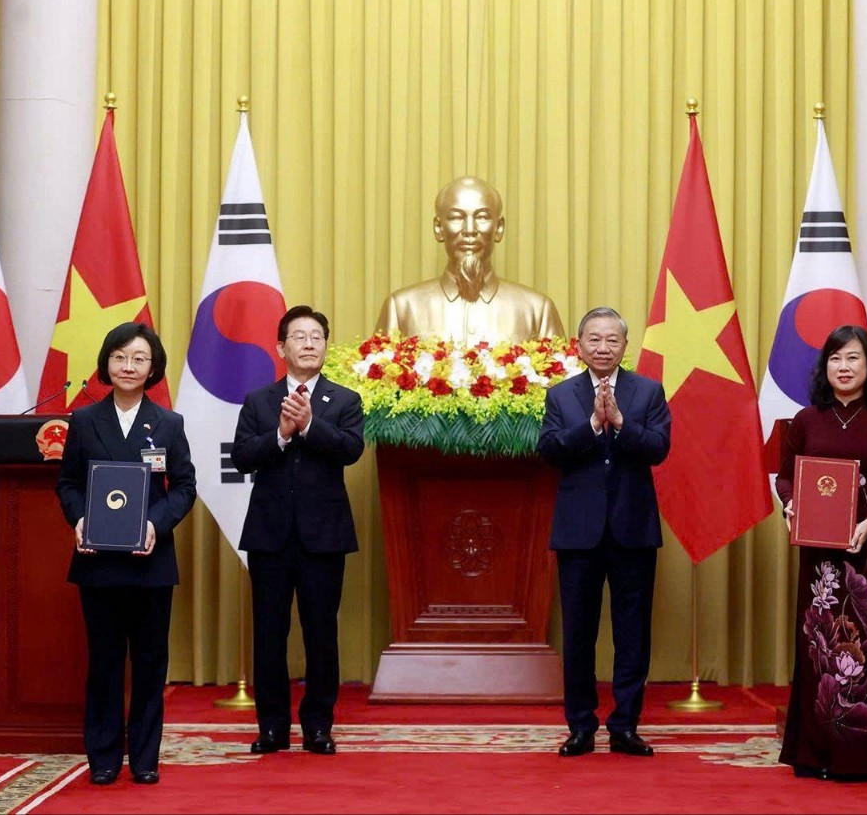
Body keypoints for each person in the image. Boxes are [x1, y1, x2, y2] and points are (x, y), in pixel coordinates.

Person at [776, 324, 867, 781]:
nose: (844, 367)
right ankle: (815, 752)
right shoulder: (806, 420)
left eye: (853, 358)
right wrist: (791, 503)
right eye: (836, 358)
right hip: (820, 559)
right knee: (819, 643)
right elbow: (784, 477)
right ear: (825, 367)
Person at [56, 322, 197, 786]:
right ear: (106, 362)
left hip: (151, 564)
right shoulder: (83, 421)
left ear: (152, 367)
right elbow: (70, 484)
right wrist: (78, 518)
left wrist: (156, 523)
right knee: (104, 661)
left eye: (139, 358)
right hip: (98, 563)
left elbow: (184, 487)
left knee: (151, 663)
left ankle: (144, 756)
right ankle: (102, 755)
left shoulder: (169, 424)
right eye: (120, 356)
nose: (129, 365)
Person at [536, 307, 671, 758]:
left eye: (612, 340)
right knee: (578, 633)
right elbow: (550, 450)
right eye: (595, 339)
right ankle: (580, 726)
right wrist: (593, 425)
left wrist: (621, 424)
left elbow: (659, 448)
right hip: (579, 533)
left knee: (632, 633)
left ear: (625, 347)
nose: (603, 347)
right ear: (579, 345)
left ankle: (625, 726)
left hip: (633, 529)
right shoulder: (561, 395)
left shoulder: (648, 391)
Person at [232, 305, 365, 756]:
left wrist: (308, 425)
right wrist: (282, 435)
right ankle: (271, 727)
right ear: (280, 346)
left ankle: (318, 726)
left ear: (326, 346)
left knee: (321, 634)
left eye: (317, 337)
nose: (309, 344)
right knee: (269, 633)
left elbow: (350, 450)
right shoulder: (259, 401)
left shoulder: (345, 400)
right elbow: (244, 457)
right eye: (299, 336)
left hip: (323, 535)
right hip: (270, 535)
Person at [374, 175, 566, 344]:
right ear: (438, 228)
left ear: (499, 228)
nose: (469, 230)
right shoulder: (402, 308)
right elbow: (377, 381)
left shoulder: (536, 310)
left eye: (482, 217)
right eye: (456, 217)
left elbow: (562, 382)